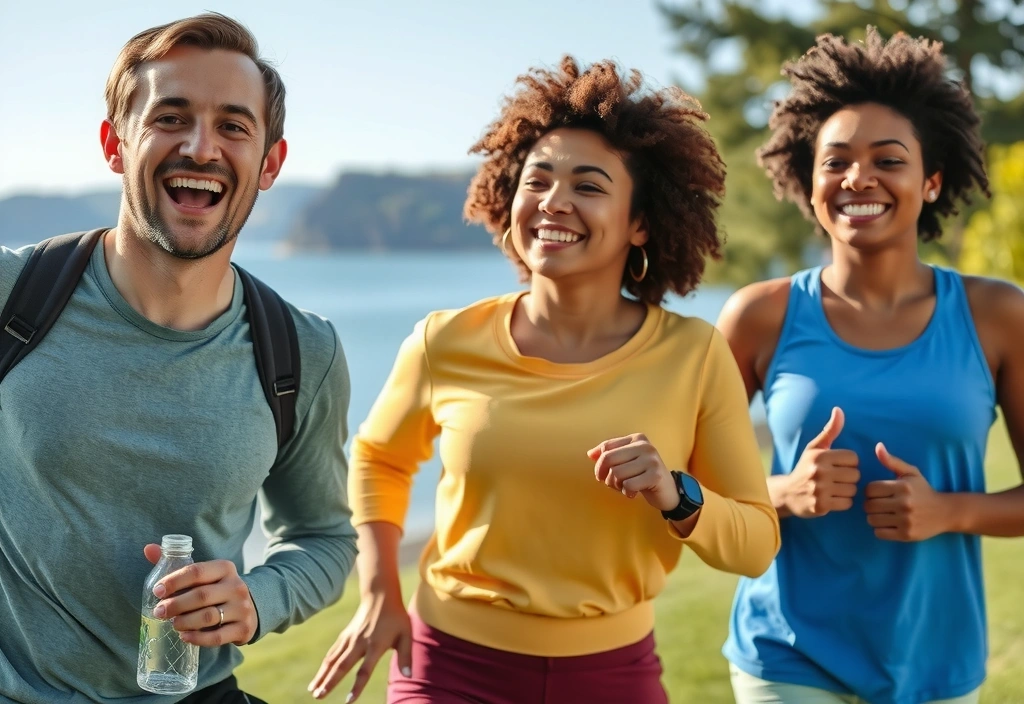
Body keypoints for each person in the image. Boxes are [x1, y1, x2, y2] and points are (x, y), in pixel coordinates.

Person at [307, 56, 780, 704]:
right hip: (447, 667)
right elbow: (380, 459)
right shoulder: (445, 340)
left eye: (588, 186)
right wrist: (381, 590)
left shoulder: (693, 356)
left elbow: (756, 544)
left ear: (640, 221)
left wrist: (676, 493)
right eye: (538, 181)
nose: (554, 202)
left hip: (613, 675)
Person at [0, 14, 356, 704]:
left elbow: (324, 537)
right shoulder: (16, 296)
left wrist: (256, 601)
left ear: (270, 163)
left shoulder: (303, 353)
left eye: (233, 125)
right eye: (171, 117)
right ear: (115, 143)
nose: (201, 147)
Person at [718, 26, 1024, 704]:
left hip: (934, 661)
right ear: (810, 180)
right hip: (784, 654)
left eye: (888, 159)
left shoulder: (997, 315)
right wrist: (781, 494)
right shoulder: (757, 316)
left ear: (931, 180)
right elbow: (686, 485)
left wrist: (950, 510)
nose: (859, 177)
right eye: (836, 161)